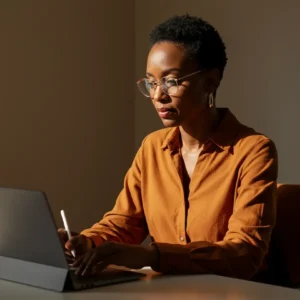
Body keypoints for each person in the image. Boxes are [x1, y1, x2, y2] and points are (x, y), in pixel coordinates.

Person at [58, 14, 278, 280]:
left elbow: (245, 253)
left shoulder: (253, 151)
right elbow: (126, 223)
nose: (157, 95)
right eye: (151, 82)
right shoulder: (153, 147)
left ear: (210, 81)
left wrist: (152, 256)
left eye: (171, 81)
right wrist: (87, 242)